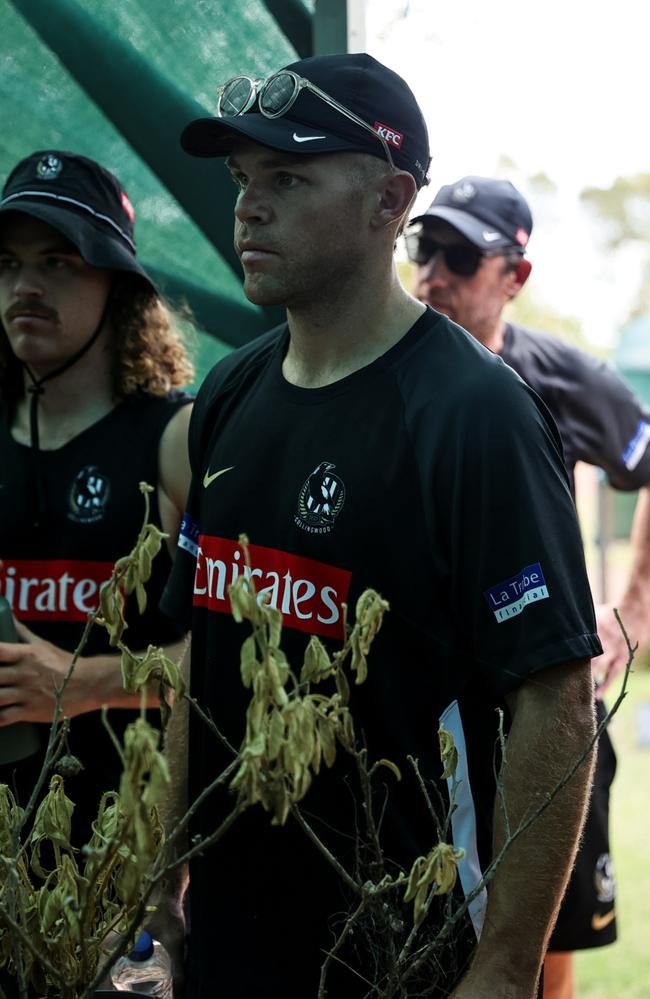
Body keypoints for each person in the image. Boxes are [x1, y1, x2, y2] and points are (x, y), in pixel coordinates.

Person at [162, 54, 601, 999]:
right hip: (228, 943)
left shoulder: (475, 415)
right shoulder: (230, 395)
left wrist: (507, 967)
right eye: (244, 180)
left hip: (403, 954)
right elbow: (193, 665)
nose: (248, 207)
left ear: (389, 200)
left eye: (286, 178)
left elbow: (557, 699)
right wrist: (164, 883)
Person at [407, 175, 649, 998]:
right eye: (423, 247)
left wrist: (631, 610)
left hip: (540, 707)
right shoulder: (375, 367)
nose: (433, 273)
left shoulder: (563, 379)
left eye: (461, 256)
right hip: (415, 718)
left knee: (544, 949)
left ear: (516, 275)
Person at [0, 150, 194, 847]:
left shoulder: (176, 438)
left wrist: (87, 681)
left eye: (59, 262)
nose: (25, 285)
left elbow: (247, 657)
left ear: (120, 287)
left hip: (126, 856)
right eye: (9, 263)